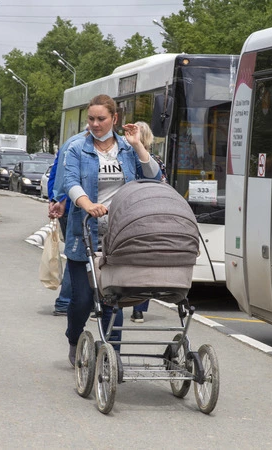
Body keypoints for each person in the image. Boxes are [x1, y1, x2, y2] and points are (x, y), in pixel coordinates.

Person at [63, 94, 162, 366]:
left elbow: (154, 177)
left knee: (113, 299)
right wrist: (88, 204)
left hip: (120, 234)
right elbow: (70, 182)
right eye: (91, 119)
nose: (95, 124)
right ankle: (74, 338)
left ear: (114, 119)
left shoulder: (127, 149)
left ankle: (112, 355)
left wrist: (138, 145)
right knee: (83, 299)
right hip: (84, 233)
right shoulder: (77, 148)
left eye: (101, 119)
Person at [47, 130, 87, 316]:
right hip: (76, 207)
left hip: (64, 204)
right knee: (78, 255)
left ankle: (71, 301)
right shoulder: (83, 145)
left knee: (75, 253)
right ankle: (65, 302)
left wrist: (53, 199)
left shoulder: (69, 142)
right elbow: (69, 178)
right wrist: (62, 200)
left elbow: (54, 172)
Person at [129, 121, 166, 323]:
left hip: (126, 214)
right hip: (148, 217)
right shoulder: (156, 161)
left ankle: (107, 303)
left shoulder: (124, 157)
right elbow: (162, 186)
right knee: (144, 264)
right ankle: (139, 309)